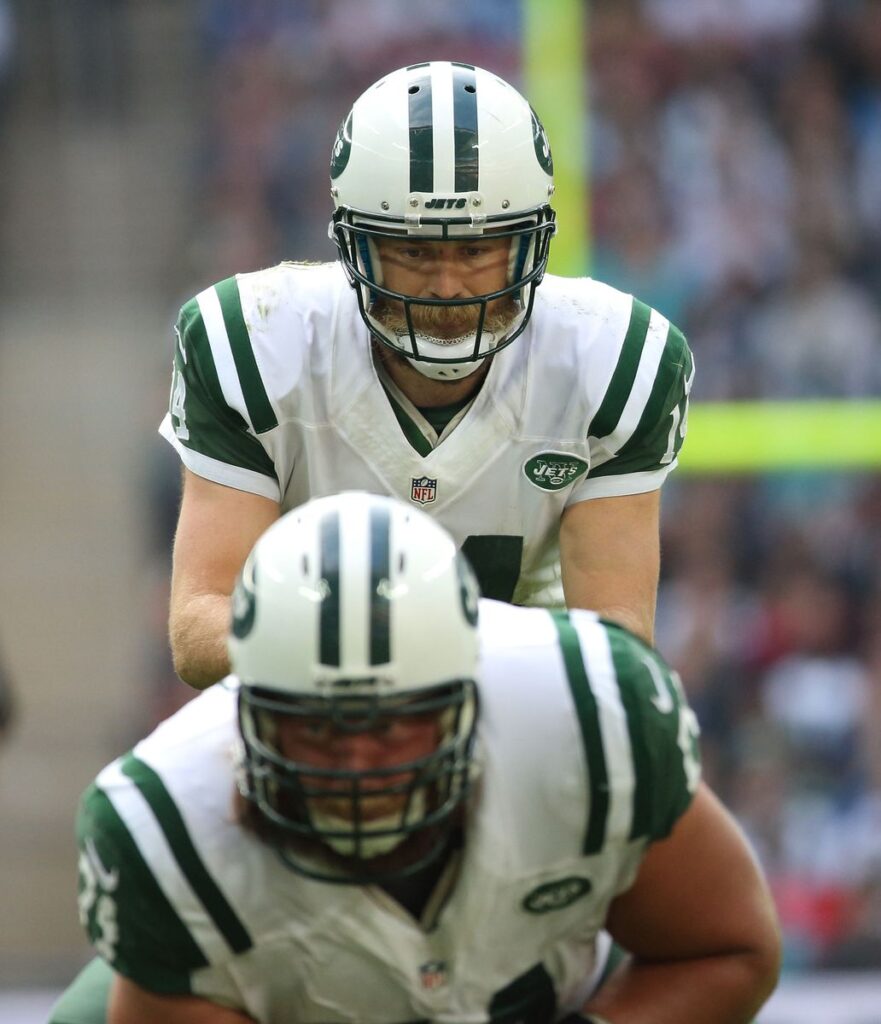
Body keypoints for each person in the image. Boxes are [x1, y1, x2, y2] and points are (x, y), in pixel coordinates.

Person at [59, 492, 779, 1024]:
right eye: (318, 724)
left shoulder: (587, 714)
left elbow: (724, 951)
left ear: (469, 694)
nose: (358, 759)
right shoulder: (162, 825)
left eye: (396, 719)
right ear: (248, 712)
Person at [161, 60, 694, 689]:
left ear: (530, 244)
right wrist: (370, 649)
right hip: (307, 725)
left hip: (520, 715)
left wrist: (411, 643)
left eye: (475, 250)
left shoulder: (610, 362)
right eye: (413, 250)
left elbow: (616, 658)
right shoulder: (255, 342)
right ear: (356, 245)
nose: (446, 286)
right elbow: (198, 630)